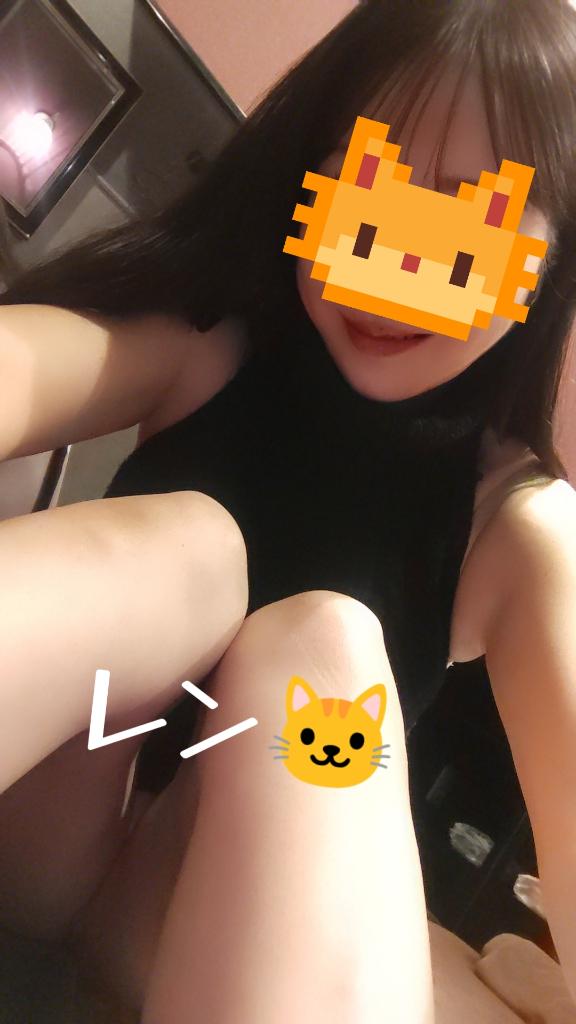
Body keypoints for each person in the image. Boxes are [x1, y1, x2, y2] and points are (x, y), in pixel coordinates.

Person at [1, 1, 576, 1021]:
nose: (396, 272)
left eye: (467, 222)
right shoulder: (210, 344)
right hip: (53, 806)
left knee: (326, 653)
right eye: (369, 187)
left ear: (545, 264)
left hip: (208, 910)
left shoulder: (518, 524)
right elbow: (26, 363)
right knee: (192, 548)